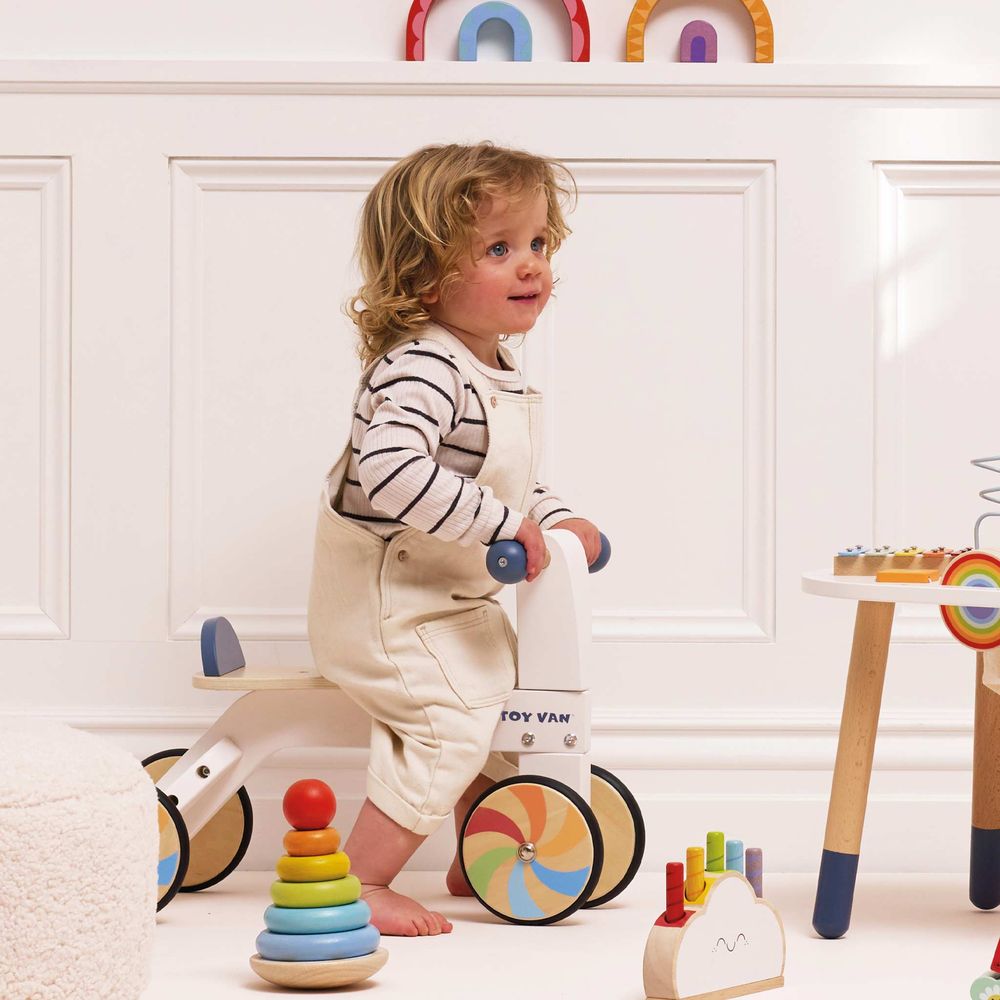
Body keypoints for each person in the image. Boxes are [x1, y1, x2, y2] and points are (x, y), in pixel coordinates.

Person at [307, 141, 602, 937]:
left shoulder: (490, 366)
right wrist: (506, 525)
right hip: (386, 606)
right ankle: (358, 881)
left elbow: (504, 476)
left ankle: (486, 845)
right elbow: (391, 470)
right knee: (451, 720)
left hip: (447, 601)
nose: (530, 265)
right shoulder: (422, 369)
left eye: (538, 244)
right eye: (498, 250)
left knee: (498, 708)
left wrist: (556, 516)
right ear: (424, 275)